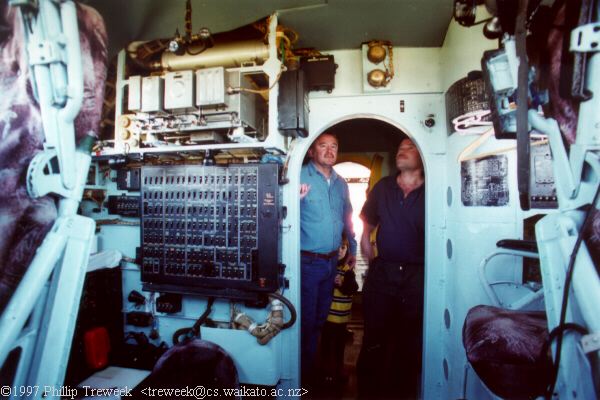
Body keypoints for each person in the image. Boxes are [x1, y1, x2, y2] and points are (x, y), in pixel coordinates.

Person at [357, 137, 425, 399]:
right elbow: (367, 228)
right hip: (382, 272)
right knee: (374, 337)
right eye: (400, 148)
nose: (402, 152)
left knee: (409, 341)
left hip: (417, 275)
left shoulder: (432, 190)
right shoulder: (384, 187)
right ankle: (366, 393)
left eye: (409, 148)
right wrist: (372, 259)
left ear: (422, 156)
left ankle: (401, 393)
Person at [300, 132, 357, 385]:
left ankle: (313, 368)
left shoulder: (341, 183)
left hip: (332, 261)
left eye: (334, 146)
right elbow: (277, 213)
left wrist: (353, 247)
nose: (329, 150)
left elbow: (348, 218)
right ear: (312, 151)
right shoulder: (298, 176)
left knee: (320, 320)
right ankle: (302, 375)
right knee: (306, 321)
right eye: (323, 145)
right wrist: (293, 198)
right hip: (307, 262)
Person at [319, 236, 358, 388]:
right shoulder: (328, 268)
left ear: (348, 250)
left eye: (343, 248)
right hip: (328, 317)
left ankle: (338, 369)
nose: (340, 251)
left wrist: (342, 284)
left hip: (342, 319)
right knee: (326, 346)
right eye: (338, 247)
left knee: (340, 347)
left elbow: (352, 289)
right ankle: (325, 371)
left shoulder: (348, 270)